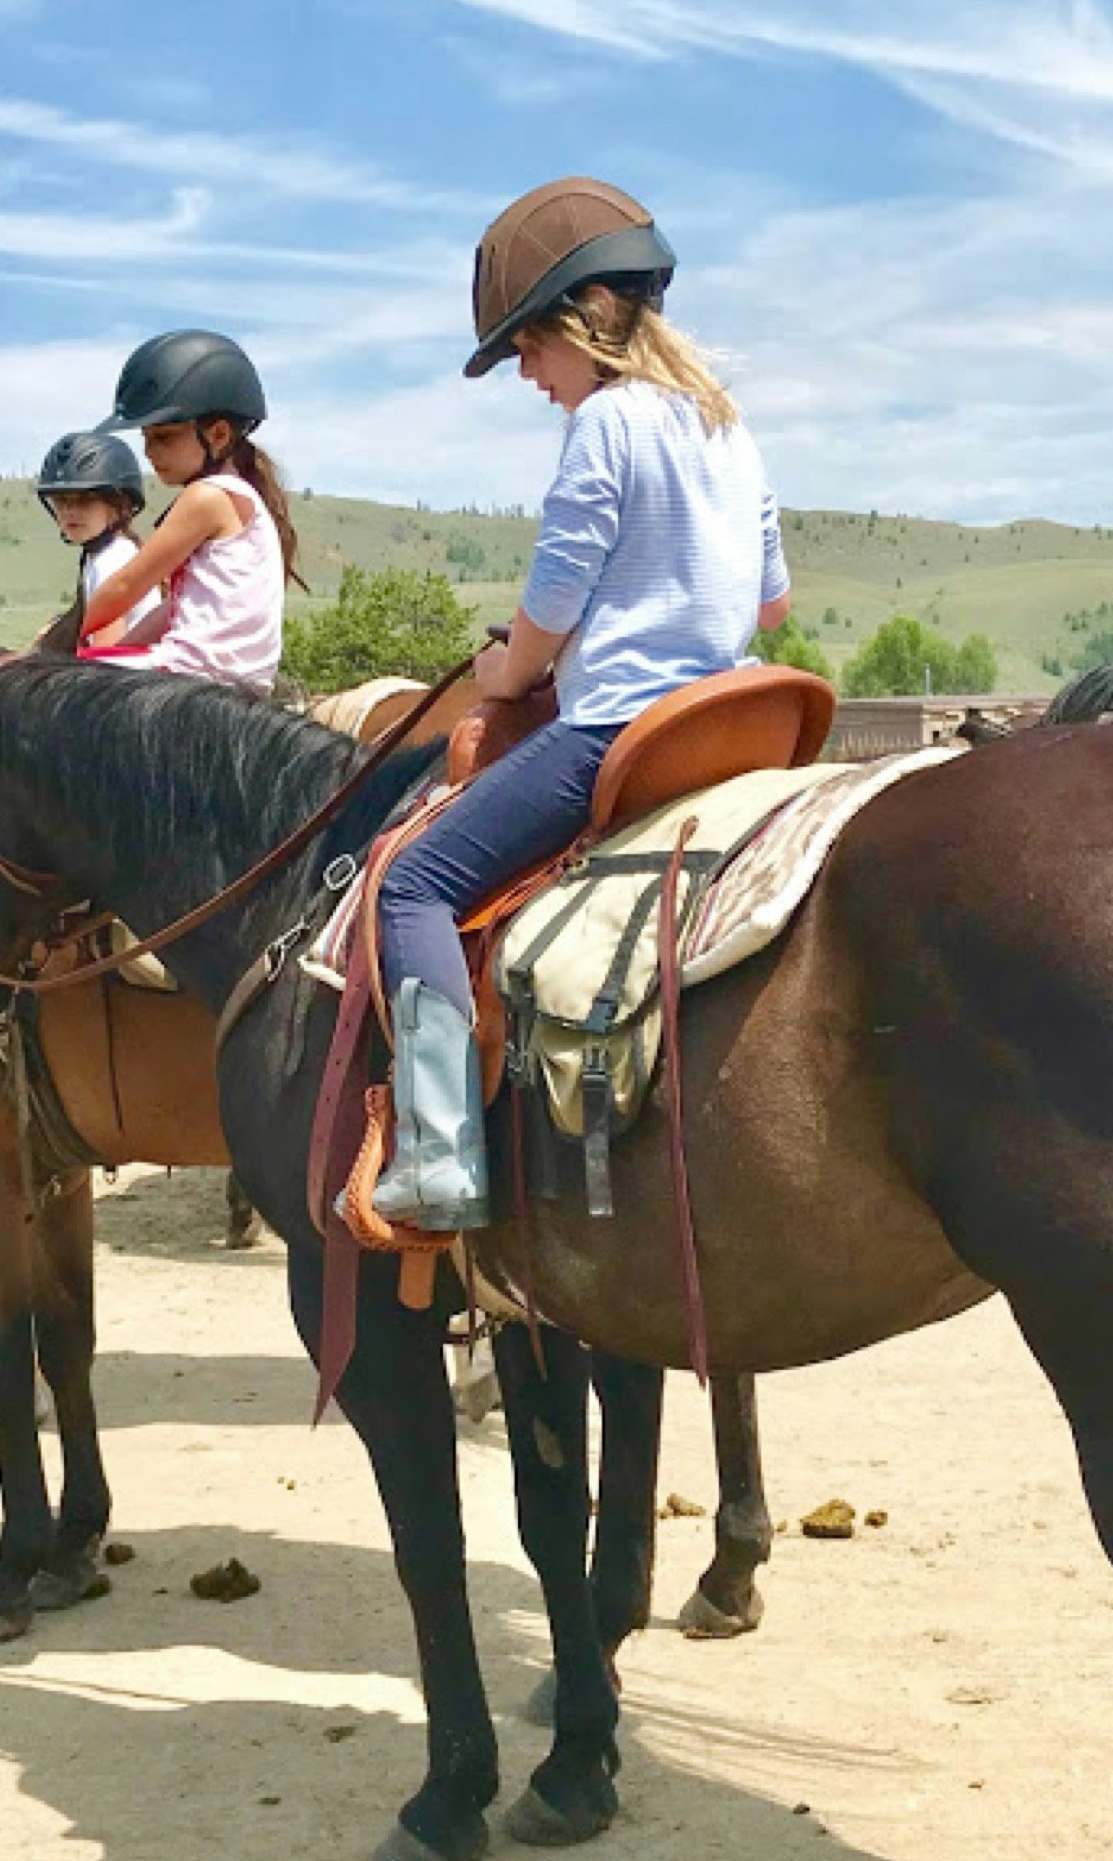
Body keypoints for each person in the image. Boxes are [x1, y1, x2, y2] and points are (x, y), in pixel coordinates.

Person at [370, 177, 791, 1230]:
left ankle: (440, 1160)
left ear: (577, 324)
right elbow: (773, 605)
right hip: (737, 716)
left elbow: (554, 598)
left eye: (525, 348)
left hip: (626, 725)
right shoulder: (730, 432)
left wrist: (508, 669)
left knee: (411, 885)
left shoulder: (607, 421)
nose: (527, 374)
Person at [78, 330, 296, 692]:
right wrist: (121, 646)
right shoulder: (244, 500)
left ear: (219, 434)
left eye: (163, 437)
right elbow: (171, 613)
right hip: (242, 681)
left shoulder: (206, 498)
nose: (149, 452)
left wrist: (70, 635)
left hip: (192, 673)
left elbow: (125, 586)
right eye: (145, 438)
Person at [34, 429, 150, 648]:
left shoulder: (112, 561)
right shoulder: (104, 555)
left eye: (84, 500)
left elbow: (105, 655)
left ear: (120, 505)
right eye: (60, 500)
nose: (69, 510)